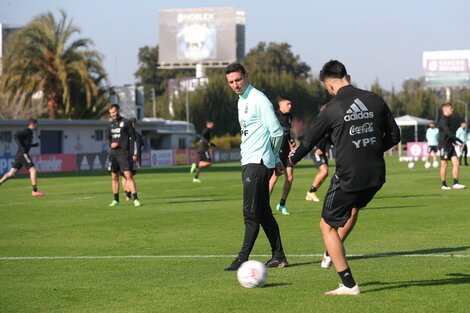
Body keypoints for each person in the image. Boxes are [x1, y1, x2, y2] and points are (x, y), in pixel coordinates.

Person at [289, 60, 401, 295]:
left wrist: (290, 160)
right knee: (352, 210)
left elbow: (308, 142)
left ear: (329, 86)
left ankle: (349, 284)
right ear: (347, 77)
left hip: (349, 176)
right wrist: (371, 149)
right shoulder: (375, 99)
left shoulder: (331, 108)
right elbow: (394, 135)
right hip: (376, 176)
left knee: (326, 225)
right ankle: (333, 251)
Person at [224, 62, 288, 271]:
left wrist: (273, 156)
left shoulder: (259, 99)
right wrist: (276, 160)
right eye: (231, 82)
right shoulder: (241, 101)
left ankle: (242, 258)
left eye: (238, 80)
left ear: (246, 76)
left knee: (250, 213)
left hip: (257, 163)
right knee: (263, 212)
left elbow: (277, 132)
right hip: (250, 161)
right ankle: (279, 256)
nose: (235, 85)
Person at [106, 104, 141, 207]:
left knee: (128, 176)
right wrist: (110, 144)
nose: (113, 114)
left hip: (124, 154)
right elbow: (107, 139)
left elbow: (133, 139)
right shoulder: (110, 125)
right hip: (113, 154)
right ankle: (116, 200)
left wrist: (134, 153)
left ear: (118, 111)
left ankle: (135, 199)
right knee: (114, 177)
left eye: (114, 112)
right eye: (111, 113)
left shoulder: (126, 122)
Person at [0, 118, 45, 196]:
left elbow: (26, 144)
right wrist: (21, 147)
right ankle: (35, 191)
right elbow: (16, 135)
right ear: (32, 124)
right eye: (36, 124)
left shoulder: (30, 133)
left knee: (11, 174)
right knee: (33, 170)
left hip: (20, 154)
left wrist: (33, 145)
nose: (37, 126)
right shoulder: (26, 131)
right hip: (22, 154)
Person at [268, 96, 295, 215]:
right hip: (276, 151)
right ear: (281, 104)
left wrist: (292, 141)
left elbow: (287, 132)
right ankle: (264, 205)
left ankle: (282, 204)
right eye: (288, 104)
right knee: (274, 178)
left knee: (289, 177)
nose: (290, 106)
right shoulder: (274, 115)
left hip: (287, 151)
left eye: (291, 104)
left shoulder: (289, 117)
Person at [305, 103, 330, 203]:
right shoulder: (319, 121)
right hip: (316, 151)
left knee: (326, 173)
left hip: (323, 152)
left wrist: (327, 150)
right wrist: (316, 148)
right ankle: (311, 192)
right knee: (324, 171)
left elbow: (328, 139)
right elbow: (312, 136)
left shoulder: (330, 122)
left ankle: (311, 192)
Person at [438, 103, 465, 190]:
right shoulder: (443, 120)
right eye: (451, 108)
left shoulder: (449, 119)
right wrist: (459, 141)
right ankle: (444, 184)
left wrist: (456, 142)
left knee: (456, 162)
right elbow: (448, 133)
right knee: (444, 164)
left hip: (450, 145)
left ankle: (455, 183)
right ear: (445, 109)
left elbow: (450, 134)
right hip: (444, 145)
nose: (452, 109)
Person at [121, 118, 143, 201]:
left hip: (128, 158)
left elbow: (138, 147)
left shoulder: (135, 135)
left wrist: (137, 158)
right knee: (126, 177)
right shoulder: (133, 134)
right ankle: (128, 195)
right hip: (125, 157)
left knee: (127, 177)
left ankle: (129, 195)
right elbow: (139, 148)